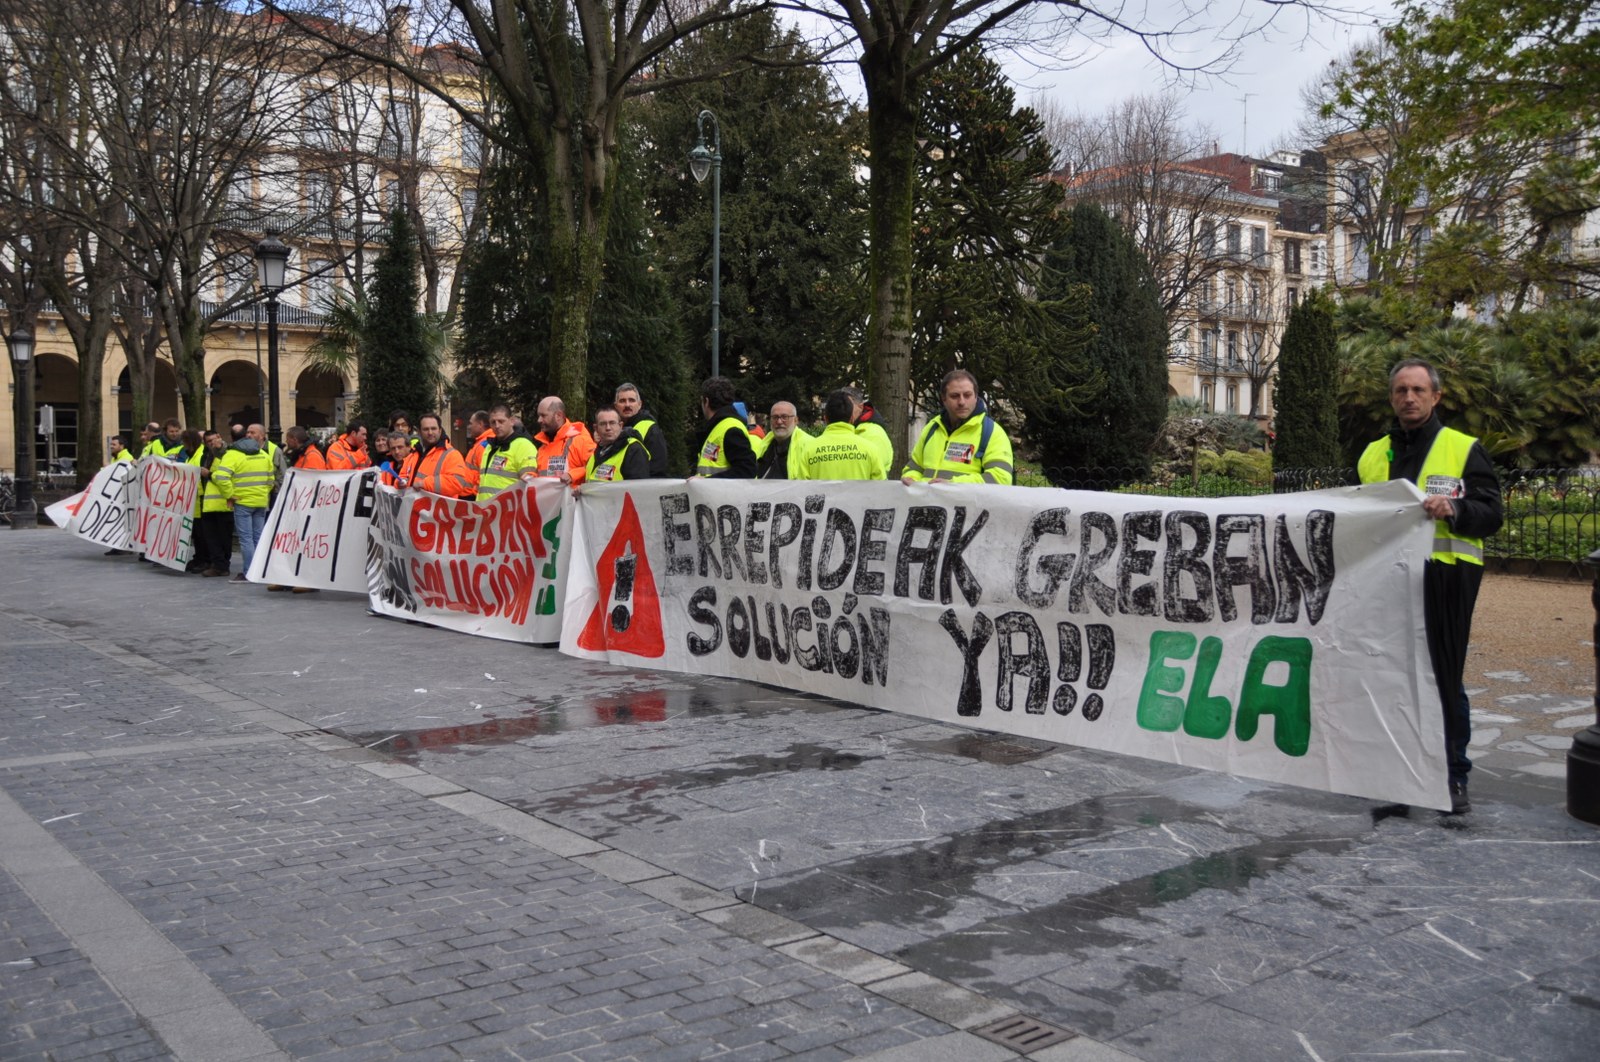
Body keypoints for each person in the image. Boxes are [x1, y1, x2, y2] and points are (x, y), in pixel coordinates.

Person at [1358, 358, 1503, 815]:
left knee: (1443, 678)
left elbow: (1492, 514)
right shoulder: (1370, 454)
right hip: (1386, 582)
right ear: (1392, 398)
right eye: (1401, 390)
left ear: (1436, 396)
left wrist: (1455, 510)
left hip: (1446, 577)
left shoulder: (1463, 449)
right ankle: (1396, 778)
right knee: (1389, 679)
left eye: (1418, 390)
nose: (1409, 398)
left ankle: (1451, 777)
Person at [901, 369, 1014, 486]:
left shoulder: (993, 433)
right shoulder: (932, 428)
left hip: (967, 504)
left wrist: (953, 485)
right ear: (944, 398)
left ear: (976, 396)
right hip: (927, 502)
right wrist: (911, 478)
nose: (961, 402)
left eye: (967, 395)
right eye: (955, 396)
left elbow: (1000, 479)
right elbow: (913, 468)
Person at [211, 432, 274, 583]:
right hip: (260, 502)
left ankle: (248, 572)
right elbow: (271, 479)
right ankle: (260, 571)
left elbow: (221, 477)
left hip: (243, 502)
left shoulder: (232, 455)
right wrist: (262, 493)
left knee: (246, 539)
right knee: (258, 537)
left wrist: (229, 495)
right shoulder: (263, 455)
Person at [798, 391, 887, 480]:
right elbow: (881, 489)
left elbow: (802, 489)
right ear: (852, 418)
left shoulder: (809, 450)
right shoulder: (870, 449)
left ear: (825, 418)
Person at [475, 404, 539, 502]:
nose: (497, 426)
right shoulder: (489, 447)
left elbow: (530, 480)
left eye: (501, 421)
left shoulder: (523, 445)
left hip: (509, 511)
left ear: (511, 421)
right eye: (493, 422)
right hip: (487, 510)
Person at [400, 414, 474, 497]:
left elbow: (457, 482)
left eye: (433, 428)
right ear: (419, 432)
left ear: (440, 430)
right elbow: (403, 475)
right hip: (413, 506)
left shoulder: (452, 454)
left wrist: (425, 483)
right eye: (426, 429)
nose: (430, 432)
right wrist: (400, 482)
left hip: (438, 509)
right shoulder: (414, 453)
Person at [695, 376, 756, 478]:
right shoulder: (720, 426)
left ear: (706, 401)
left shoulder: (730, 429)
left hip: (726, 493)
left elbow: (747, 470)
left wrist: (706, 482)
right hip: (717, 493)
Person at [533, 396, 596, 486]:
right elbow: (541, 474)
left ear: (558, 416)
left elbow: (595, 466)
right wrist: (531, 477)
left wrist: (572, 475)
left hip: (573, 498)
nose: (539, 420)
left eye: (543, 416)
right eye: (539, 416)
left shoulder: (580, 439)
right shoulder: (543, 447)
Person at [196, 432, 235, 578]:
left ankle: (221, 566)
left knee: (223, 537)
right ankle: (219, 564)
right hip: (209, 503)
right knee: (212, 537)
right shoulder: (206, 455)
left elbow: (224, 477)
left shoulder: (227, 454)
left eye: (214, 440)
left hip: (223, 502)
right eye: (208, 441)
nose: (212, 443)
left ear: (220, 437)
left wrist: (209, 474)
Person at [580, 405, 649, 485]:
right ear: (596, 428)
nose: (608, 428)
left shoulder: (633, 449)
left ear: (620, 426)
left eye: (612, 423)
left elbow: (638, 489)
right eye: (603, 424)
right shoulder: (597, 452)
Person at [613, 383, 669, 478]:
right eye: (622, 401)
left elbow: (657, 468)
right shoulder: (612, 429)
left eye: (632, 400)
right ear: (615, 406)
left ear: (639, 404)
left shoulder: (650, 428)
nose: (627, 405)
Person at [755, 401, 813, 480]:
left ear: (796, 420)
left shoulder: (809, 445)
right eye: (775, 417)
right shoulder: (764, 443)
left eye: (785, 417)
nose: (779, 422)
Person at [846, 387, 894, 472]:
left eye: (848, 406)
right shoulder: (850, 429)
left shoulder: (874, 434)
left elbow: (875, 471)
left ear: (860, 407)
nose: (844, 410)